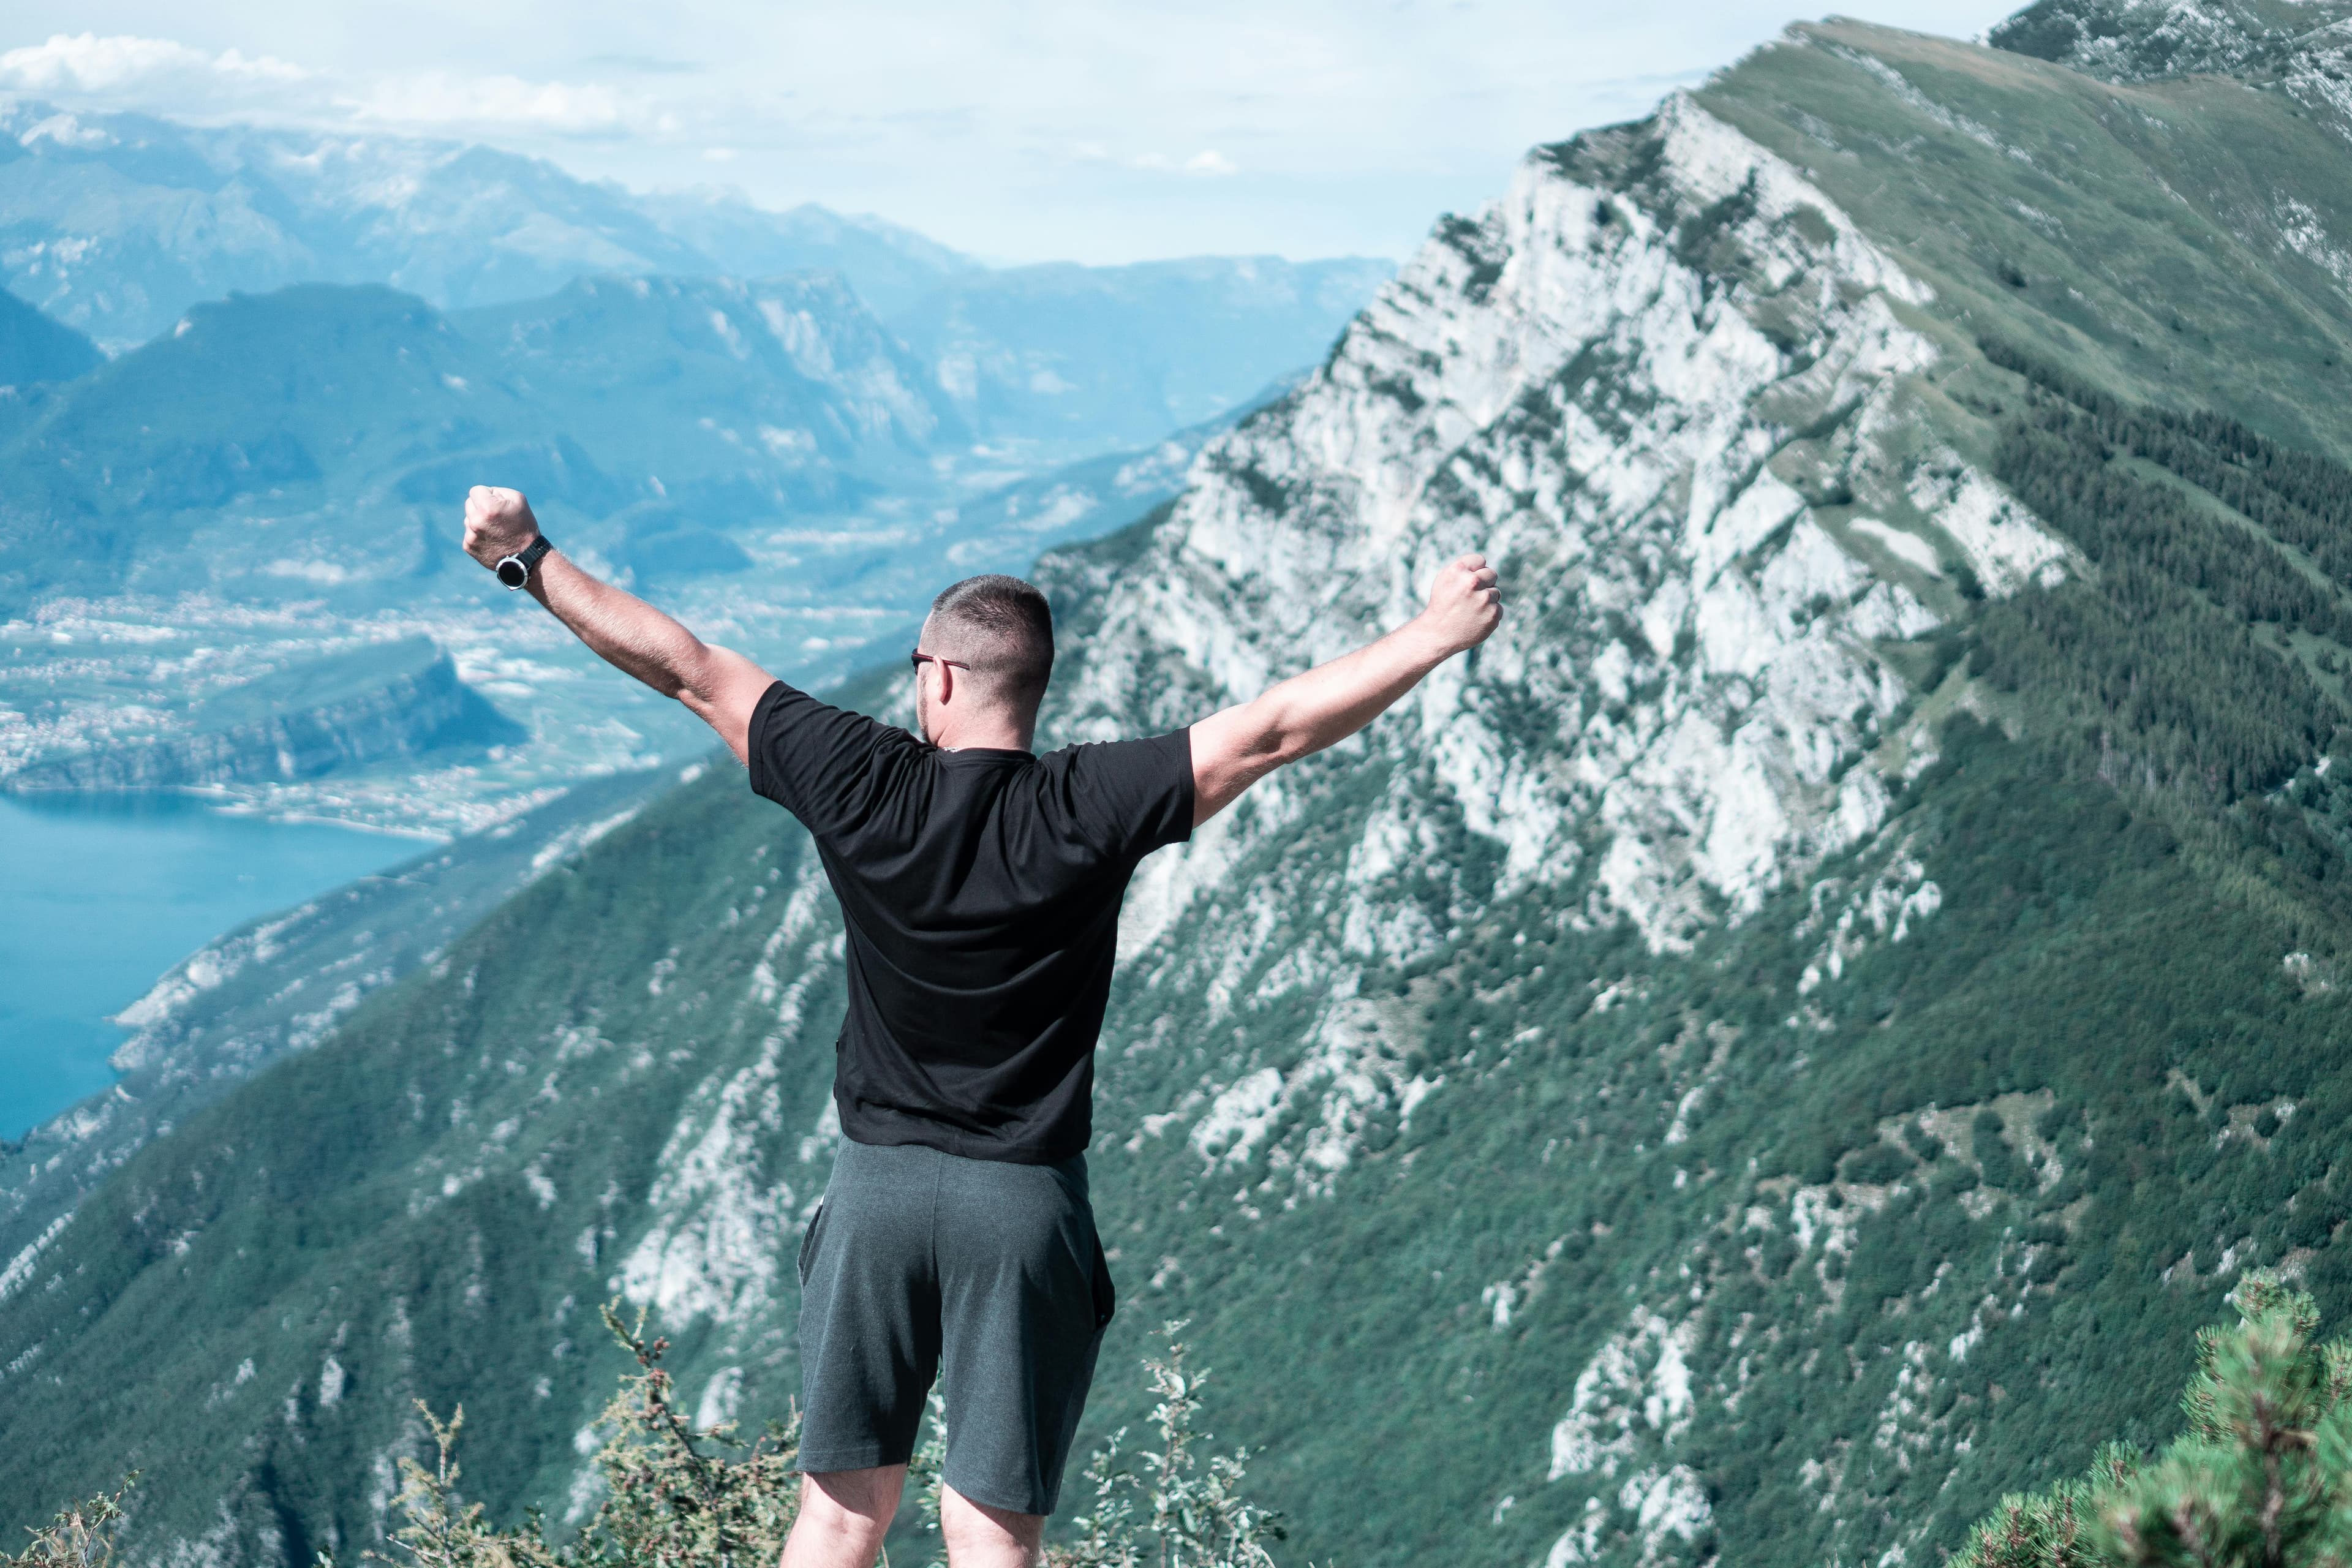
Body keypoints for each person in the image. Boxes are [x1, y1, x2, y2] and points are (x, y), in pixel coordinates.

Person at [459, 485, 1503, 1568]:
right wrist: (1430, 635)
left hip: (879, 1193)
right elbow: (1277, 727)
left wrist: (526, 557)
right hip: (1023, 1201)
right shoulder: (1091, 801)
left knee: (838, 1515)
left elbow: (684, 664)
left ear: (939, 677)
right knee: (993, 1531)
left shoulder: (861, 778)